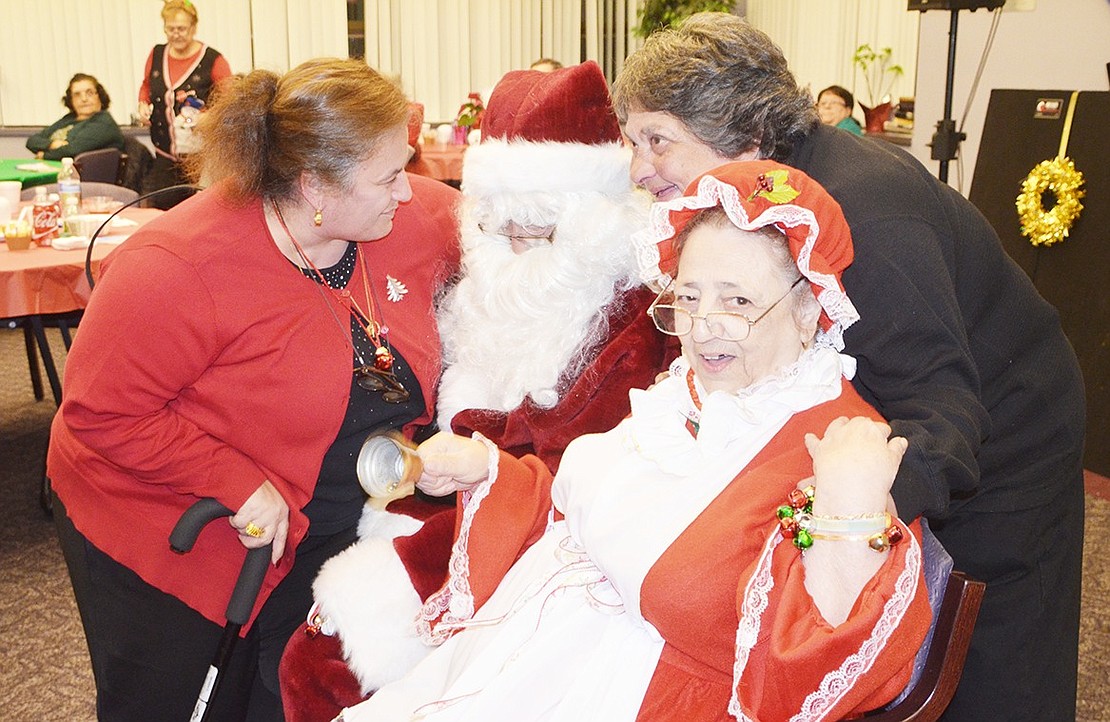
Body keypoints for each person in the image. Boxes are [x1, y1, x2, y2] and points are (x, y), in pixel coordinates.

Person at [333, 160, 932, 721]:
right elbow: (589, 511)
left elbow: (804, 678)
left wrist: (850, 514)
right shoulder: (682, 396)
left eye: (739, 301)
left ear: (809, 308)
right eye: (689, 298)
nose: (704, 328)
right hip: (530, 663)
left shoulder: (838, 448)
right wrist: (489, 471)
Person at [611, 13, 1086, 722]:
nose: (639, 169)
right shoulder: (761, 195)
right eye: (632, 141)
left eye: (657, 141)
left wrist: (846, 514)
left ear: (743, 134)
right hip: (912, 408)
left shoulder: (870, 214)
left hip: (1007, 429)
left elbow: (944, 407)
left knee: (990, 648)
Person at [48, 57, 460, 721]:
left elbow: (502, 221)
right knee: (185, 701)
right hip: (170, 524)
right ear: (315, 186)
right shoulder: (174, 268)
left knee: (291, 695)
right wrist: (233, 478)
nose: (407, 192)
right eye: (389, 177)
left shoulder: (397, 217)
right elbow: (102, 414)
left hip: (320, 521)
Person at [278, 60, 670, 722]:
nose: (512, 247)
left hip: (550, 537)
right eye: (498, 226)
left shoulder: (630, 314)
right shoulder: (484, 278)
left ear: (591, 223)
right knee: (313, 652)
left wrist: (467, 460)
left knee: (328, 665)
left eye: (537, 230)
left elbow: (580, 463)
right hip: (450, 501)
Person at [137, 0, 232, 208]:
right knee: (163, 211)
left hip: (199, 159)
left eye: (181, 28)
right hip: (164, 155)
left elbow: (230, 102)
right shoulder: (157, 54)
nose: (176, 34)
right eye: (170, 29)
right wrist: (143, 104)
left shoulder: (213, 60)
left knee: (198, 212)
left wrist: (210, 116)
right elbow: (146, 86)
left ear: (194, 28)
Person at [25, 73, 125, 160]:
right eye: (77, 95)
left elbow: (72, 150)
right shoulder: (69, 119)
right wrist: (53, 144)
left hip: (86, 179)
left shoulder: (103, 122)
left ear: (99, 96)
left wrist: (44, 155)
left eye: (89, 93)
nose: (84, 99)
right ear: (71, 100)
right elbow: (32, 141)